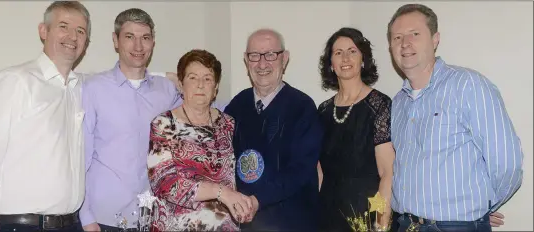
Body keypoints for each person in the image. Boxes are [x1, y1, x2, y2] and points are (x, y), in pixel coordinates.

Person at [388, 4, 524, 232]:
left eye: (415, 34)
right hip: (404, 224)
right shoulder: (398, 103)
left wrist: (484, 206)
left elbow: (508, 162)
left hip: (455, 227)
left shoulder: (467, 85)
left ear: (435, 39)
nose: (404, 43)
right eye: (397, 37)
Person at [0, 1, 90, 231]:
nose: (73, 36)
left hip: (72, 224)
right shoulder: (16, 81)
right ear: (44, 30)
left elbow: (123, 83)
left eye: (80, 31)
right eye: (64, 26)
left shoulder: (81, 88)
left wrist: (171, 77)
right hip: (22, 225)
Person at [80, 8, 186, 232]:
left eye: (145, 38)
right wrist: (86, 217)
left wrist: (175, 78)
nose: (138, 47)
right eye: (129, 37)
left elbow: (201, 117)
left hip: (154, 218)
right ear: (115, 41)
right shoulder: (94, 89)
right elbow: (82, 156)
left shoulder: (167, 90)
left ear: (153, 43)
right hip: (104, 218)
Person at [224, 28, 323, 231]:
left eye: (270, 55)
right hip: (246, 223)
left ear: (284, 59)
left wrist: (257, 199)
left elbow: (301, 170)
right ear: (246, 60)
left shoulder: (302, 107)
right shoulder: (236, 106)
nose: (262, 64)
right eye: (254, 56)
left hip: (292, 222)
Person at [148, 49, 253, 231]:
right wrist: (221, 193)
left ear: (216, 87)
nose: (200, 85)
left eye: (207, 79)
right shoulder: (164, 124)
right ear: (181, 85)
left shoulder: (229, 124)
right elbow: (164, 183)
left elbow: (242, 174)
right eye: (193, 78)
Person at [316, 27, 395, 232]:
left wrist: (380, 223)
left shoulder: (379, 105)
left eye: (352, 51)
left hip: (365, 216)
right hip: (328, 214)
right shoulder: (323, 110)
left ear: (363, 59)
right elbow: (320, 172)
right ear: (331, 64)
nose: (345, 58)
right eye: (338, 52)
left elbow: (386, 173)